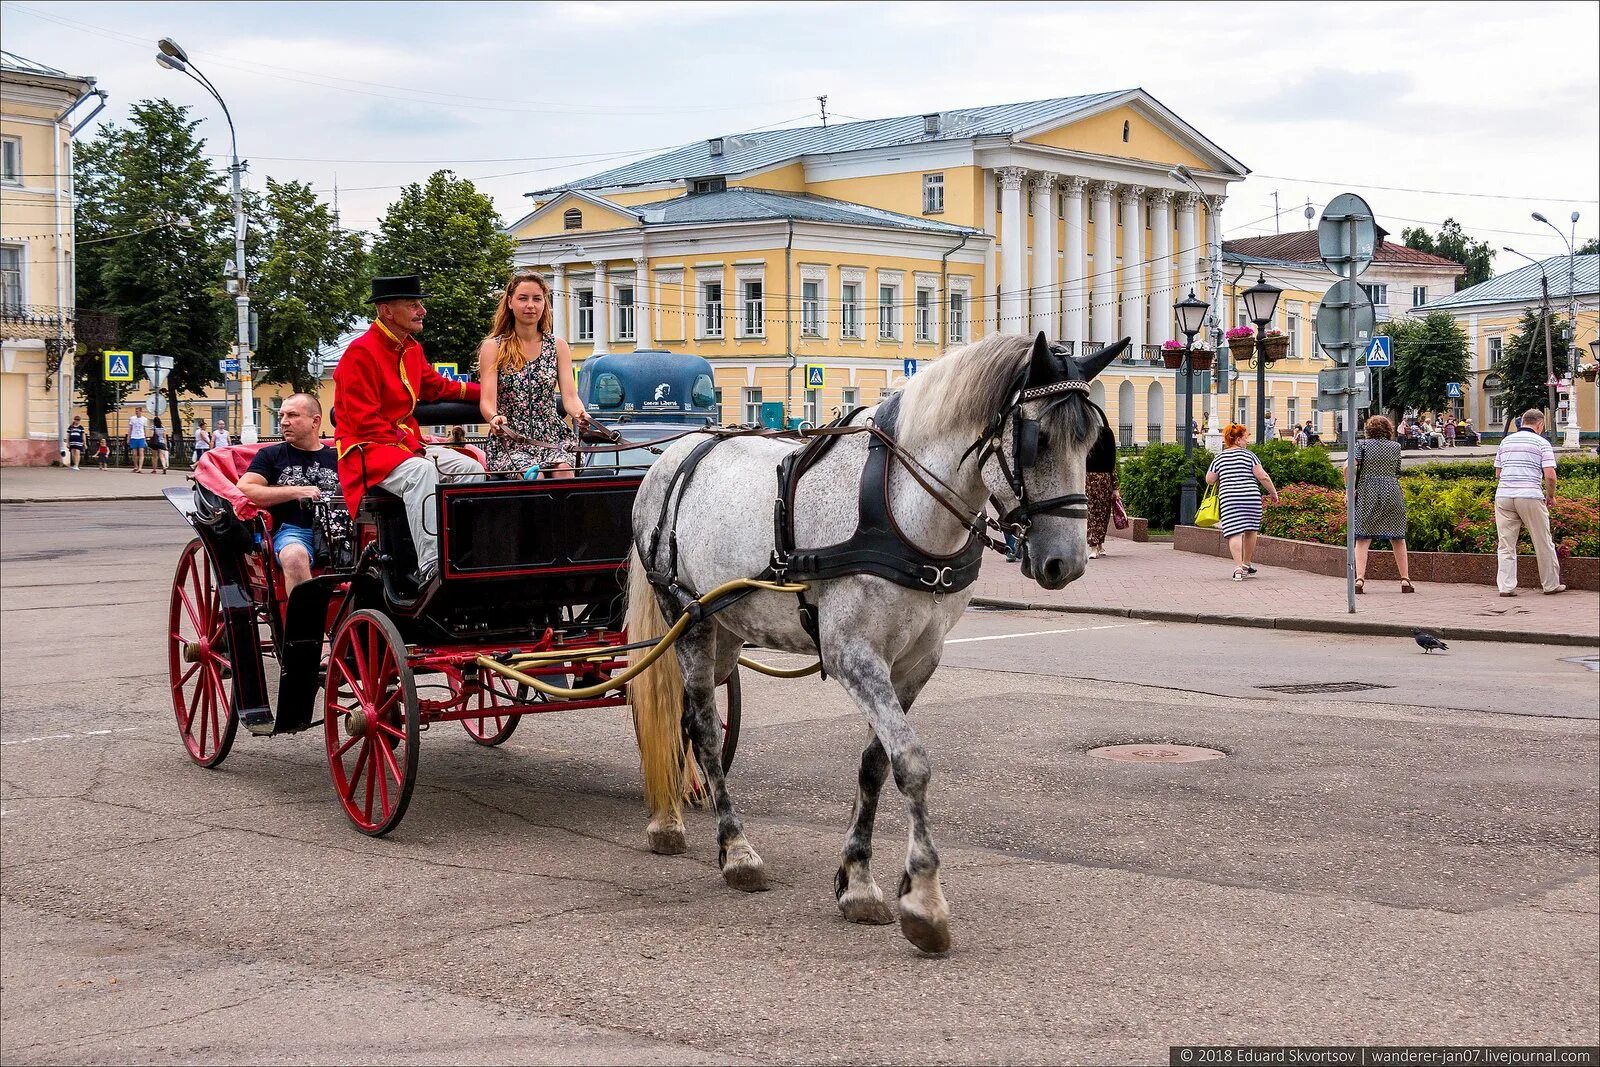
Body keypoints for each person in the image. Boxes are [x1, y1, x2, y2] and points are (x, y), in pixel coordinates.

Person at [333, 274, 484, 585]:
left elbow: (437, 386)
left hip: (402, 447)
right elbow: (364, 422)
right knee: (421, 472)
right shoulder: (359, 353)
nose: (422, 310)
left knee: (470, 468)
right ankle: (433, 567)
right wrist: (411, 445)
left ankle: (467, 555)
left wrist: (489, 393)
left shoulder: (411, 348)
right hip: (367, 451)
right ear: (387, 311)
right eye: (413, 305)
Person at [478, 270, 591, 479]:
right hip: (511, 441)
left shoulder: (558, 346)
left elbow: (570, 397)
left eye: (537, 299)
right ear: (510, 302)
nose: (530, 305)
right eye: (523, 298)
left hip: (551, 437)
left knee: (565, 471)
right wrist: (494, 418)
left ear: (544, 304)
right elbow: (486, 401)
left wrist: (580, 414)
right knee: (534, 476)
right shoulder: (493, 347)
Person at [236, 393, 341, 594]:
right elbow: (246, 488)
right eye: (282, 415)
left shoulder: (338, 456)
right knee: (294, 556)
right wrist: (295, 491)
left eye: (292, 415)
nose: (284, 422)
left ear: (315, 421)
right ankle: (305, 625)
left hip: (341, 532)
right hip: (293, 531)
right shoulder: (271, 455)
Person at [1492, 408, 1564, 596]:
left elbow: (1498, 474)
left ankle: (1506, 587)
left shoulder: (1505, 441)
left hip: (1504, 496)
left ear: (1522, 422)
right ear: (1539, 425)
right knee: (1542, 541)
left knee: (1505, 543)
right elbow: (1550, 475)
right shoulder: (1542, 443)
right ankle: (1550, 585)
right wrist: (1551, 495)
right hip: (1530, 495)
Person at [1345, 415, 1413, 594]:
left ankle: (1359, 580)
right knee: (1398, 537)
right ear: (1389, 430)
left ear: (1369, 429)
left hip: (1368, 491)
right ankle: (1405, 580)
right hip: (1392, 491)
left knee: (1362, 539)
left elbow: (1347, 466)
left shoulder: (1362, 446)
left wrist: (1349, 490)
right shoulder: (1396, 447)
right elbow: (1397, 470)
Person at [1205, 423, 1279, 581]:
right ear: (1238, 440)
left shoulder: (1219, 458)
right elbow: (1262, 476)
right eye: (1245, 438)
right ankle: (1246, 564)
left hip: (1229, 498)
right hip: (1250, 497)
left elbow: (1209, 479)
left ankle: (1238, 569)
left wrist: (1223, 476)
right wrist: (1273, 492)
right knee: (1251, 530)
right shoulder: (1249, 456)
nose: (1247, 442)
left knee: (1234, 532)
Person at [1084, 427, 1118, 559]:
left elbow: (1111, 467)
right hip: (1097, 483)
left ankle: (1098, 545)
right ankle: (1094, 546)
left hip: (1097, 482)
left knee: (1099, 515)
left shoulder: (1092, 438)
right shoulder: (1106, 436)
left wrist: (1115, 488)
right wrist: (1115, 488)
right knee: (1095, 515)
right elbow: (1112, 467)